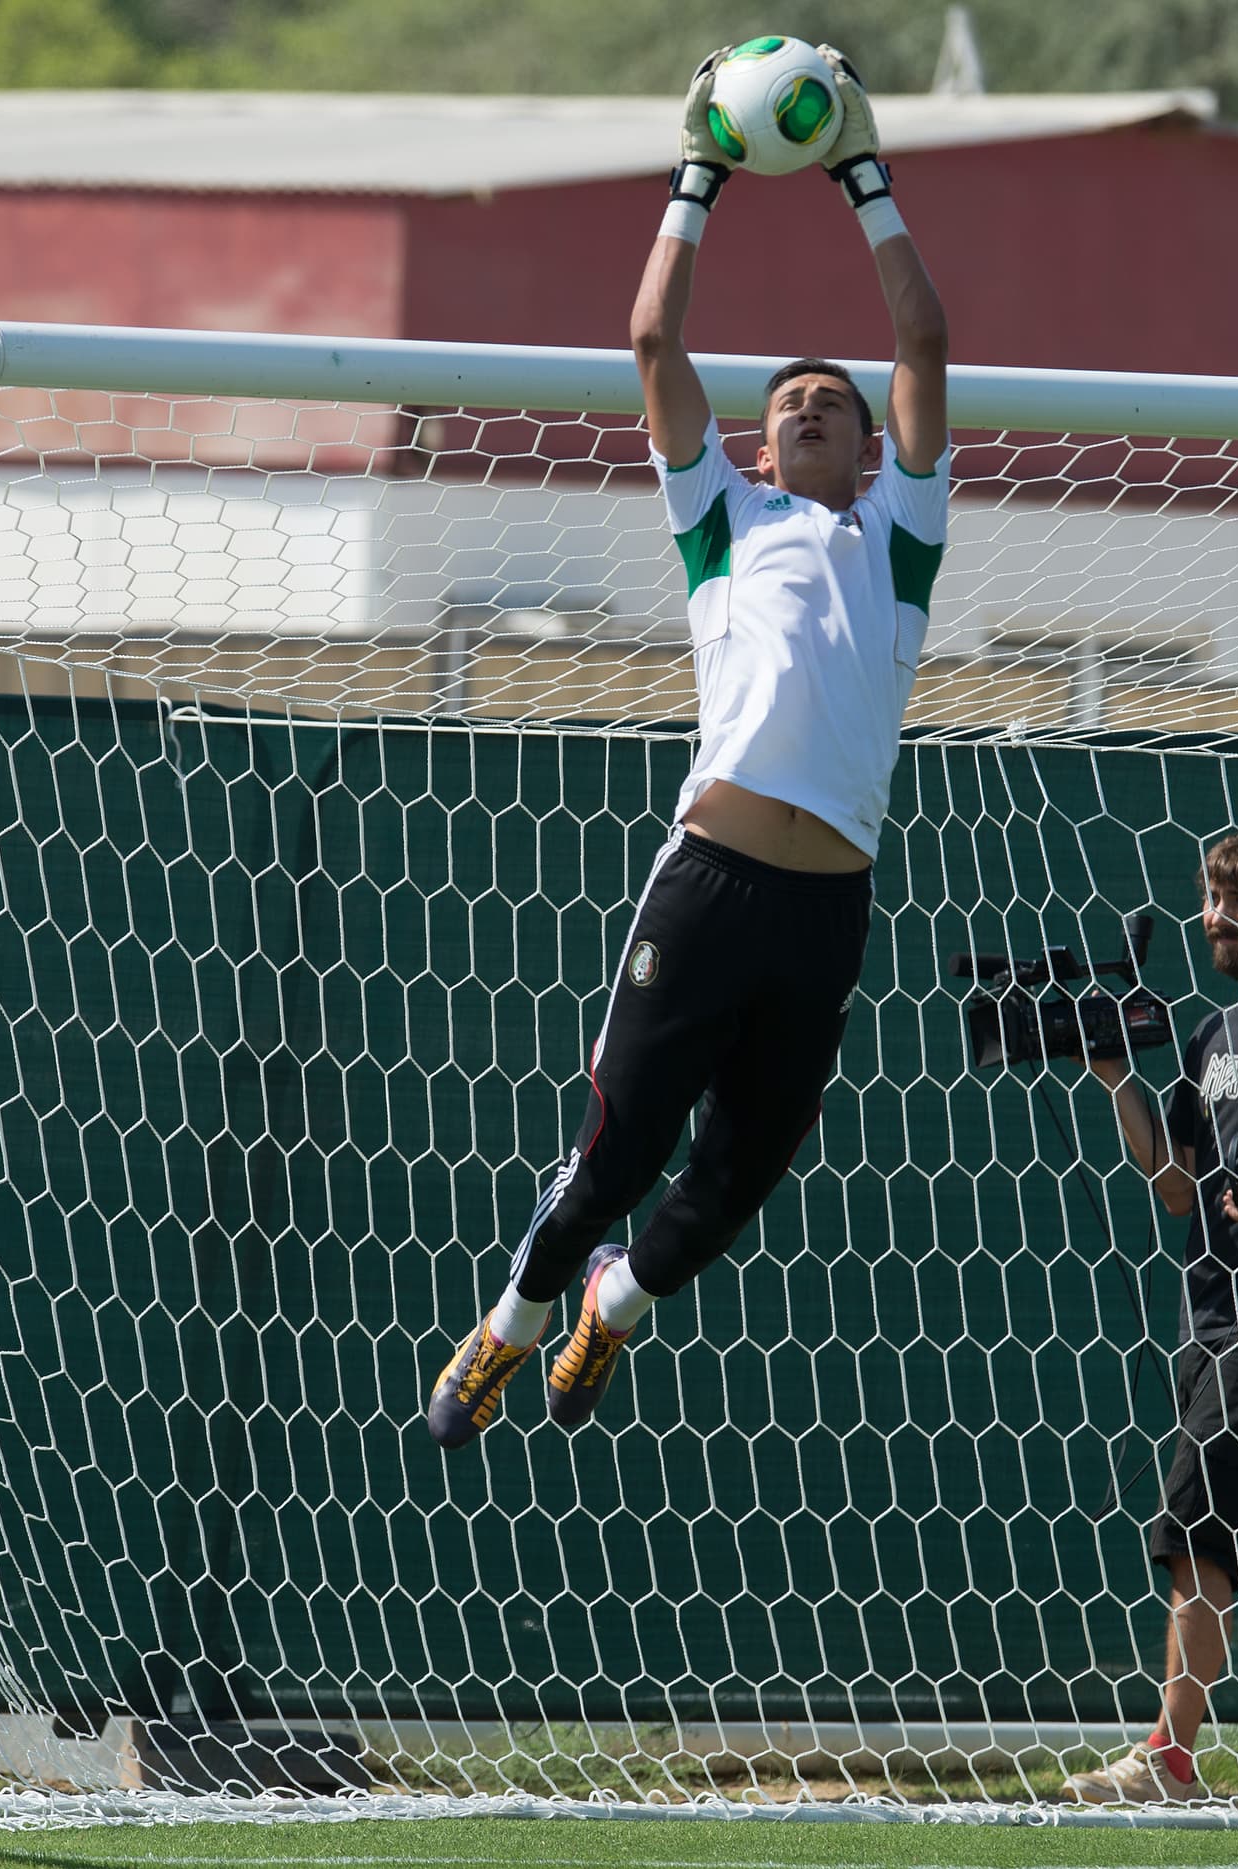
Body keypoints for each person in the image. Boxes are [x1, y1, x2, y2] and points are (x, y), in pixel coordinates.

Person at [427, 44, 949, 1450]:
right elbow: (654, 345)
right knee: (611, 1162)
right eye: (784, 406)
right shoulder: (731, 523)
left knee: (736, 1180)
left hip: (826, 905)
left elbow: (923, 349)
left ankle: (614, 1311)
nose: (806, 405)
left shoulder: (900, 542)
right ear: (761, 454)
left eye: (828, 402)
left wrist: (862, 177)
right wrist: (701, 174)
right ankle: (513, 1322)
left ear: (867, 451)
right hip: (710, 880)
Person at [1063, 830, 1238, 1805]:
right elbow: (1177, 1190)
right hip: (1207, 1323)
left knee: (1192, 1533)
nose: (1213, 917)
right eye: (1209, 896)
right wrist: (1116, 1083)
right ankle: (1172, 1758)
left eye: (1237, 898)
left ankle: (1166, 1757)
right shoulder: (1213, 1036)